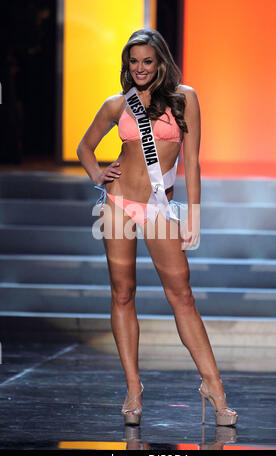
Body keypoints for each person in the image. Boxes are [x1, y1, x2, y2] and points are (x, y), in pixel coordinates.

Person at [77, 29, 238, 427]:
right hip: (117, 204)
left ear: (161, 61)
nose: (140, 68)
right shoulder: (117, 104)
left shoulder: (185, 98)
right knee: (123, 292)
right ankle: (133, 388)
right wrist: (99, 173)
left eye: (147, 61)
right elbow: (85, 146)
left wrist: (195, 214)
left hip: (159, 207)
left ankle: (213, 387)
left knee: (182, 295)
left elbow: (194, 161)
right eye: (133, 62)